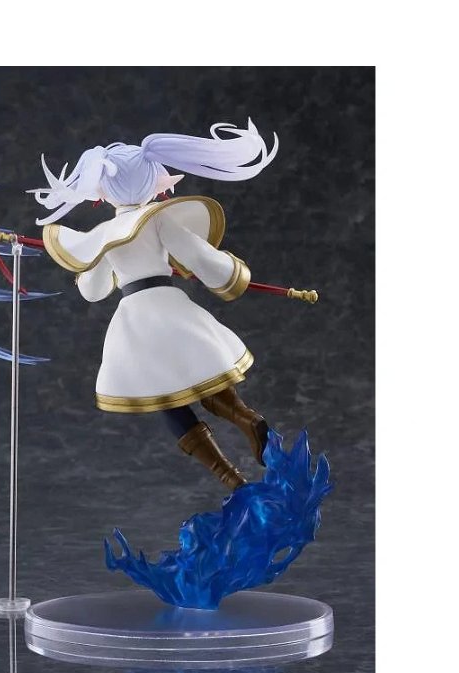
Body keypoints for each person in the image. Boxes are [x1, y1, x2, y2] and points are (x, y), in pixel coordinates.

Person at [29, 121, 279, 490]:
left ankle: (231, 478)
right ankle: (246, 418)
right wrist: (231, 273)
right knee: (199, 371)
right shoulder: (158, 219)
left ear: (104, 189)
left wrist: (83, 276)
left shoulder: (102, 235)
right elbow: (198, 256)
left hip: (135, 320)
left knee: (167, 397)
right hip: (170, 305)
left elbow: (94, 291)